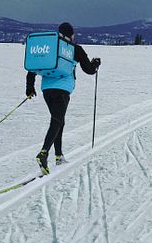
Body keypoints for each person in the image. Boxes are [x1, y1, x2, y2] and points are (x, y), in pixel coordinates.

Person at [25, 22, 101, 175]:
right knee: (57, 121)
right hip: (63, 90)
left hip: (47, 89)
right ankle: (43, 153)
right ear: (71, 34)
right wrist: (96, 64)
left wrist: (30, 87)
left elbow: (33, 68)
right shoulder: (75, 49)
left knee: (59, 120)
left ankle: (58, 156)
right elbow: (89, 70)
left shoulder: (52, 48)